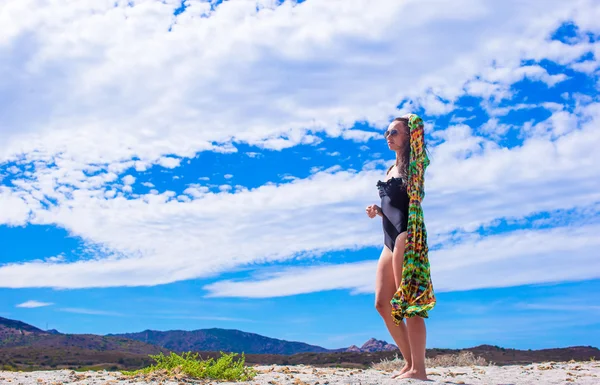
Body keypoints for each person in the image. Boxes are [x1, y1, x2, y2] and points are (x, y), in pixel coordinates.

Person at [365, 113, 436, 380]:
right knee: (383, 303)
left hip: (407, 236)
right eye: (387, 133)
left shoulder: (415, 165)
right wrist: (378, 211)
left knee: (408, 301)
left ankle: (419, 369)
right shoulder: (389, 170)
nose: (388, 136)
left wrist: (408, 117)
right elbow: (394, 206)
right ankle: (409, 362)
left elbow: (407, 209)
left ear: (409, 136)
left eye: (394, 132)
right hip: (388, 238)